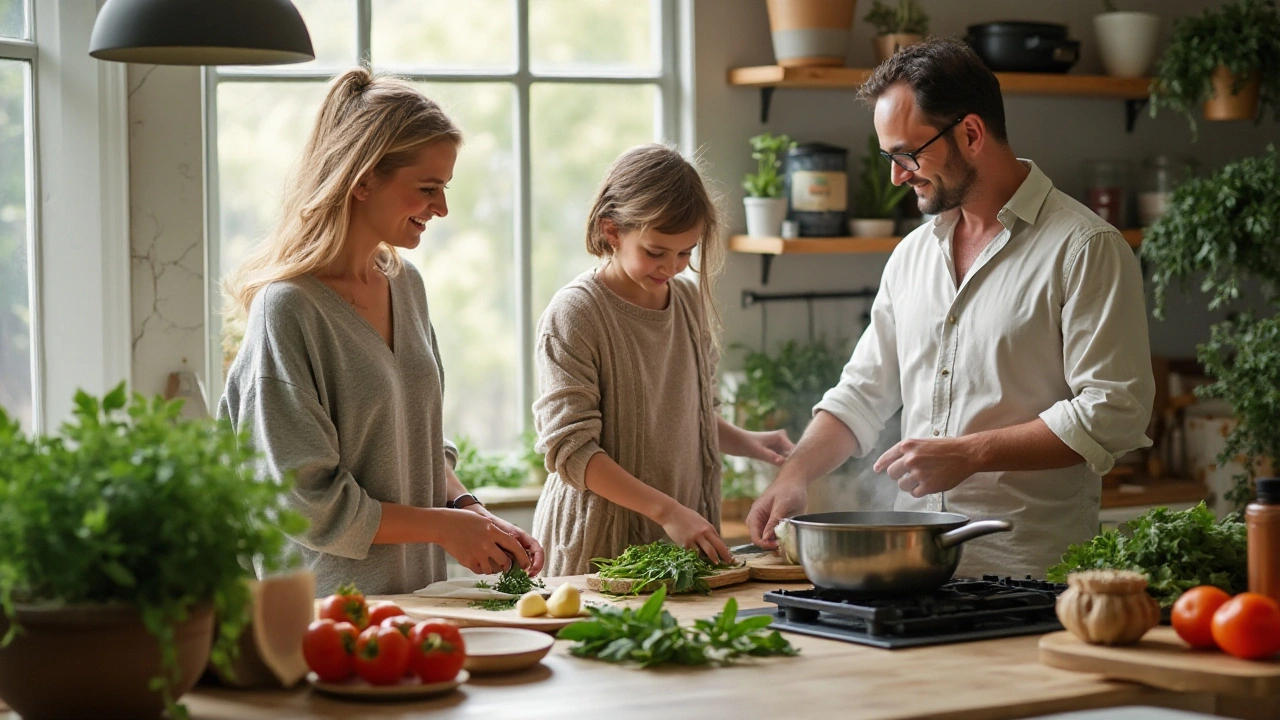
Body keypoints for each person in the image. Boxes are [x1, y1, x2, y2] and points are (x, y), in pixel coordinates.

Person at [746, 38, 1155, 580]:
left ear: (970, 133)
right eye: (889, 157)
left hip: (1030, 577)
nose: (897, 176)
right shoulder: (912, 255)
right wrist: (793, 474)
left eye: (908, 154)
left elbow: (1113, 410)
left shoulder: (1084, 248)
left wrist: (972, 453)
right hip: (913, 573)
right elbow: (863, 394)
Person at [219, 68, 544, 596]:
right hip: (327, 608)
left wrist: (469, 510)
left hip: (419, 597)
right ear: (363, 179)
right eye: (428, 188)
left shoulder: (407, 285)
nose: (442, 208)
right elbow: (303, 500)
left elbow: (416, 442)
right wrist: (445, 528)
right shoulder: (288, 309)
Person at [532, 144, 795, 576]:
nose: (672, 266)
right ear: (611, 230)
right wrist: (668, 511)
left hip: (676, 545)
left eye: (686, 252)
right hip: (597, 553)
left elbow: (686, 415)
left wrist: (748, 442)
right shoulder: (576, 313)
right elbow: (571, 451)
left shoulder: (688, 302)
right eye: (656, 251)